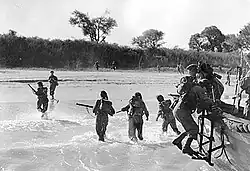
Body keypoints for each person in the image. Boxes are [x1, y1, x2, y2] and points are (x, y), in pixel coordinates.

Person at [172, 76, 217, 155]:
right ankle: (186, 147)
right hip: (183, 111)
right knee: (194, 129)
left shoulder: (192, 88)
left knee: (190, 128)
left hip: (178, 110)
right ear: (205, 86)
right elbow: (205, 100)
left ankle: (178, 140)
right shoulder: (199, 89)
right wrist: (213, 104)